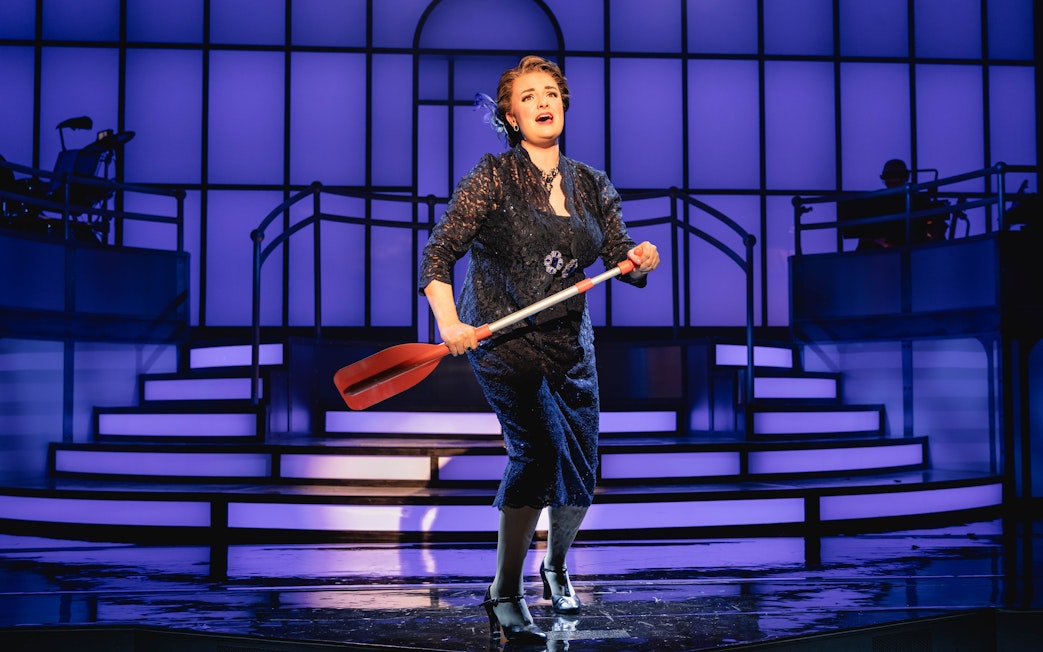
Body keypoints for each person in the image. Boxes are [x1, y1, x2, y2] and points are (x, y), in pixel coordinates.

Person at [418, 55, 659, 644]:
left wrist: (639, 260)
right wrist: (448, 321)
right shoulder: (494, 176)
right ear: (510, 114)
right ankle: (504, 587)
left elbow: (620, 254)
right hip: (502, 338)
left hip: (569, 340)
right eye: (529, 96)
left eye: (551, 92)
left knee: (582, 464)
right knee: (540, 454)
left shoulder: (592, 183)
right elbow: (438, 255)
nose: (543, 101)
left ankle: (555, 564)